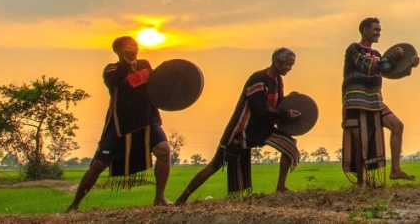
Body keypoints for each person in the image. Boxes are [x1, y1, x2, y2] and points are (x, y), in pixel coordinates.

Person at [175, 48, 302, 204]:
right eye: (288, 65)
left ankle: (280, 186)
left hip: (263, 130)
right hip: (243, 131)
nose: (290, 68)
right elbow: (260, 109)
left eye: (292, 65)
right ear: (277, 62)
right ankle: (182, 198)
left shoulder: (278, 81)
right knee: (216, 164)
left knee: (289, 145)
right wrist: (286, 113)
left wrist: (290, 100)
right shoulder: (258, 79)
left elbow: (278, 105)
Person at [66, 36, 171, 212]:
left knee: (164, 150)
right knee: (99, 165)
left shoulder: (145, 65)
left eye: (136, 45)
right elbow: (116, 80)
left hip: (147, 120)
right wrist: (127, 62)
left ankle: (160, 198)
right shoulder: (111, 70)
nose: (134, 47)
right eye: (130, 45)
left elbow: (157, 86)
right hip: (120, 124)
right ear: (119, 50)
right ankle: (74, 205)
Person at [342, 17, 420, 187]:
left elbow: (391, 72)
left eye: (379, 30)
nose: (378, 33)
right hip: (356, 99)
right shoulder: (354, 49)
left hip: (375, 100)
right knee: (360, 140)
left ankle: (395, 170)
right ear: (364, 30)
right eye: (375, 30)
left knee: (397, 126)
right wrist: (393, 57)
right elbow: (370, 67)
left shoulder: (377, 55)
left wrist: (409, 66)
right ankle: (361, 182)